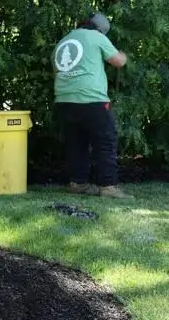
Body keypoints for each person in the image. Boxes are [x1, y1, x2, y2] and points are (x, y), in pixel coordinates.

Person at [52, 12, 132, 199]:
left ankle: (78, 184)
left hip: (64, 99)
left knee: (76, 143)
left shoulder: (63, 42)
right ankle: (108, 187)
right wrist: (123, 55)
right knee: (105, 141)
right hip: (91, 99)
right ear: (100, 30)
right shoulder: (96, 37)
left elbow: (57, 71)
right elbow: (118, 62)